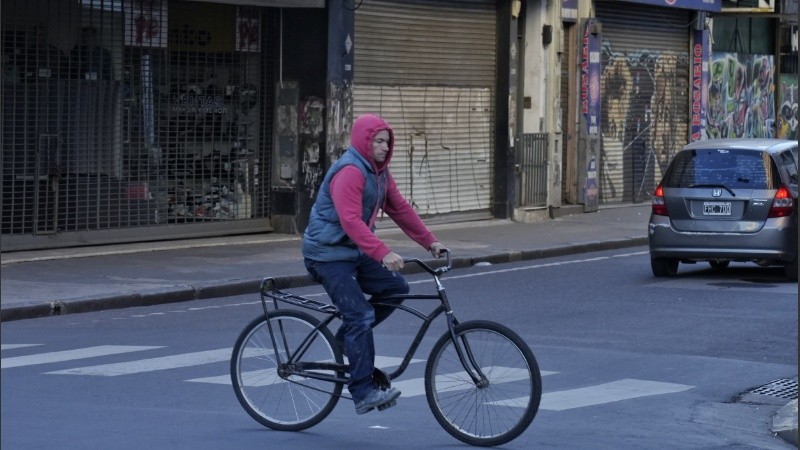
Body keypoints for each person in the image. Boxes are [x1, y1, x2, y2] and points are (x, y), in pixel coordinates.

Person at [302, 113, 446, 415]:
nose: (384, 147)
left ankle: (346, 339)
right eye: (378, 141)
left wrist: (430, 241)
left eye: (387, 142)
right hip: (327, 255)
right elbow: (350, 221)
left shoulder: (380, 173)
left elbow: (400, 208)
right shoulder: (350, 172)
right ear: (363, 141)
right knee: (361, 315)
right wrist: (382, 253)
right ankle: (363, 391)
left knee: (396, 288)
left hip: (353, 251)